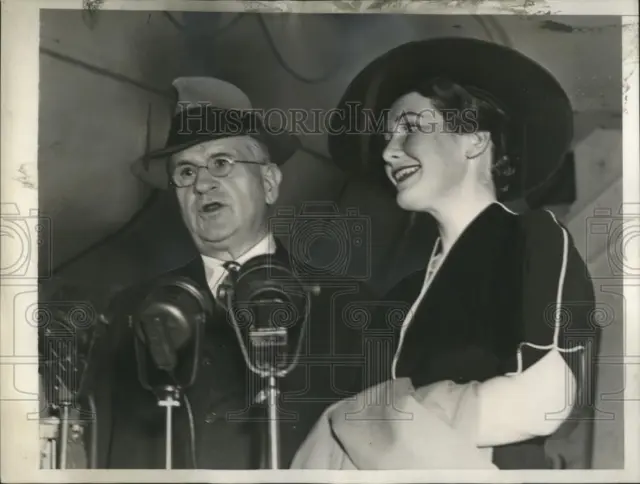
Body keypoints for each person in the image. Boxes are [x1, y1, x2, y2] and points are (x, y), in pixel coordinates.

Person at [293, 38, 600, 470]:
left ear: (474, 140)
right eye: (386, 136)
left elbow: (547, 400)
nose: (388, 151)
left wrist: (392, 419)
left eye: (410, 127)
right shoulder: (402, 296)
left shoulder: (529, 239)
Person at [82, 77, 379, 469]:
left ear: (269, 182)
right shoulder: (130, 312)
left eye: (221, 163)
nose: (202, 184)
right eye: (185, 172)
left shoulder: (352, 310)